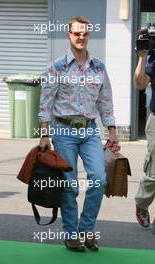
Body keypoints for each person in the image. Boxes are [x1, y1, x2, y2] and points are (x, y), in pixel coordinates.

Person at [38, 16, 117, 251]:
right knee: (70, 185)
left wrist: (112, 130)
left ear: (88, 35)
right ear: (69, 35)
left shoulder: (99, 67)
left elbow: (105, 101)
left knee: (99, 180)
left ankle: (87, 229)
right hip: (63, 132)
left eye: (85, 33)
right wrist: (44, 135)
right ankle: (72, 234)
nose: (81, 37)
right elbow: (45, 103)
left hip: (90, 131)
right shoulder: (56, 68)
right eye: (76, 33)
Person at [134, 38, 155, 228]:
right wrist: (142, 57)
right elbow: (140, 84)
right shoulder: (152, 59)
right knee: (154, 172)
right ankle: (142, 203)